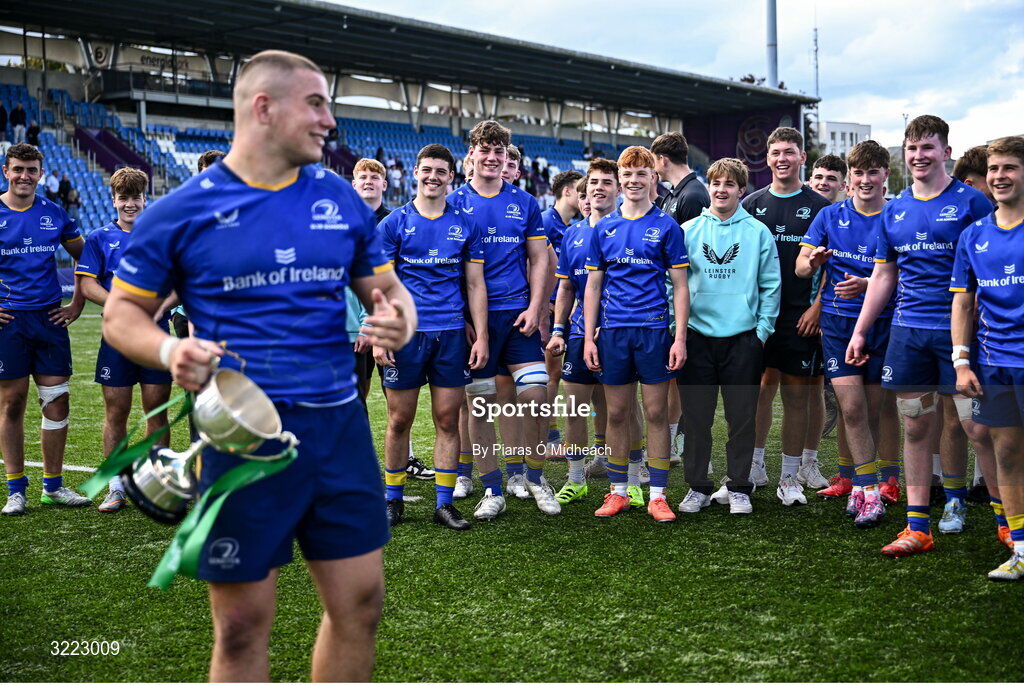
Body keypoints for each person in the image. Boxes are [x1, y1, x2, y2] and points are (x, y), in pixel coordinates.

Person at [101, 50, 416, 681]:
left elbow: (388, 292)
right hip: (239, 438)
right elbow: (120, 317)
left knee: (361, 603)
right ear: (263, 108)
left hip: (337, 430)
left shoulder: (339, 197)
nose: (331, 121)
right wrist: (169, 349)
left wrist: (397, 320)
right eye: (317, 104)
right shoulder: (180, 211)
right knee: (242, 627)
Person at [848, 115, 999, 557]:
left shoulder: (972, 202)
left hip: (962, 336)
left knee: (978, 429)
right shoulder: (894, 209)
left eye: (927, 147)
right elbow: (883, 275)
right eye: (911, 148)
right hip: (907, 334)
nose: (919, 156)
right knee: (916, 427)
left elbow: (990, 268)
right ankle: (918, 527)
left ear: (946, 152)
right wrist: (860, 331)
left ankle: (1009, 525)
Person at [447, 119, 560, 520]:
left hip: (516, 317)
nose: (492, 158)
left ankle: (534, 475)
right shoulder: (453, 203)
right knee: (480, 405)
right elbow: (449, 266)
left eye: (499, 151)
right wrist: (459, 318)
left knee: (535, 397)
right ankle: (492, 489)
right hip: (473, 322)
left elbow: (539, 259)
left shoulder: (526, 202)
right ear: (472, 155)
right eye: (486, 150)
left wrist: (536, 307)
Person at [376, 144, 489, 530]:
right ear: (415, 173)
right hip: (406, 334)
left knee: (446, 419)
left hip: (451, 334)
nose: (433, 177)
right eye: (427, 170)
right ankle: (393, 501)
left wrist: (482, 334)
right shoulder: (393, 224)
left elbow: (475, 284)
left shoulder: (465, 224)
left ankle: (444, 504)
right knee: (399, 419)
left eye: (441, 172)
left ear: (451, 178)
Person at [796, 141, 901, 527]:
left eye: (873, 172)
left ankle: (883, 480)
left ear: (885, 175)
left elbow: (906, 272)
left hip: (884, 324)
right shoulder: (829, 215)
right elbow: (800, 269)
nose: (865, 179)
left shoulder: (897, 216)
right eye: (859, 173)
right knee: (852, 408)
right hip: (839, 326)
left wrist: (869, 284)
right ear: (850, 178)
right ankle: (867, 490)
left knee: (877, 408)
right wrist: (814, 260)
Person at [584, 146, 690, 522]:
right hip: (613, 332)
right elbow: (593, 286)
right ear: (620, 180)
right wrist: (587, 338)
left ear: (652, 179)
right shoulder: (604, 228)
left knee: (657, 412)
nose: (633, 181)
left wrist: (678, 338)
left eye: (640, 174)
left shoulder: (667, 227)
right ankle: (619, 491)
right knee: (616, 413)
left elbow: (679, 285)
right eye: (627, 175)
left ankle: (658, 495)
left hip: (654, 332)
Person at [675, 157, 780, 515]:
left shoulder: (757, 232)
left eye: (729, 184)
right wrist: (679, 330)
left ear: (741, 190)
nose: (721, 189)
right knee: (696, 417)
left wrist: (761, 333)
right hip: (696, 337)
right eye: (716, 183)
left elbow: (770, 286)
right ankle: (698, 487)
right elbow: (672, 284)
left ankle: (739, 486)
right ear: (709, 187)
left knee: (742, 418)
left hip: (743, 339)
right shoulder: (688, 230)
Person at [74, 167, 173, 513]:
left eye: (136, 197)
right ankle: (115, 485)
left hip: (156, 333)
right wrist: (122, 305)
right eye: (123, 198)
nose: (130, 204)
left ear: (145, 199)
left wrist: (162, 305)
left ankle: (160, 483)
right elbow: (87, 285)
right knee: (116, 411)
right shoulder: (99, 238)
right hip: (117, 333)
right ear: (113, 200)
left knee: (156, 411)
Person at [742, 127, 831, 505]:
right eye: (775, 152)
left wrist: (818, 307)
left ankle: (790, 476)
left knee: (798, 396)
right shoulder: (750, 203)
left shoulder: (820, 207)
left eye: (789, 152)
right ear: (767, 158)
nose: (782, 159)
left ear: (802, 158)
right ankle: (755, 465)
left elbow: (832, 266)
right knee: (758, 392)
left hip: (799, 315)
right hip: (757, 316)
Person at [1, 143, 89, 516]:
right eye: (18, 169)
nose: (25, 176)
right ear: (6, 171)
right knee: (12, 403)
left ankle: (53, 486)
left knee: (57, 401)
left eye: (32, 169)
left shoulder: (54, 213)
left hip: (50, 319)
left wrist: (77, 303)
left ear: (41, 173)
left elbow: (87, 259)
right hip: (10, 323)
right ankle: (16, 489)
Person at [951, 135, 1024, 580]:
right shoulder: (974, 235)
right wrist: (962, 361)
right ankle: (1020, 549)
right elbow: (962, 302)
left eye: (1010, 167)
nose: (1000, 177)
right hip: (995, 362)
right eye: (994, 169)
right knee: (1008, 454)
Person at [546, 159, 618, 504]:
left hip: (620, 330)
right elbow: (565, 289)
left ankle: (625, 475)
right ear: (582, 192)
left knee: (620, 407)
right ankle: (576, 477)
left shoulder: (628, 227)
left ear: (617, 190)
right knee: (575, 406)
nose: (598, 189)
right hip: (577, 333)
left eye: (606, 183)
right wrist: (559, 329)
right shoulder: (572, 234)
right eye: (593, 184)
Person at [540, 169, 583, 447]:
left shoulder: (573, 225)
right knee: (550, 374)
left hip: (569, 309)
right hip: (551, 310)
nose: (586, 195)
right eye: (580, 190)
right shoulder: (545, 221)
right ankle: (549, 435)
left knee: (557, 374)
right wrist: (544, 302)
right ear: (567, 191)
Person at [352, 158, 391, 223]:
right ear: (354, 185)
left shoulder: (395, 222)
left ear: (384, 185)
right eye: (363, 177)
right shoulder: (342, 220)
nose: (368, 182)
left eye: (374, 178)